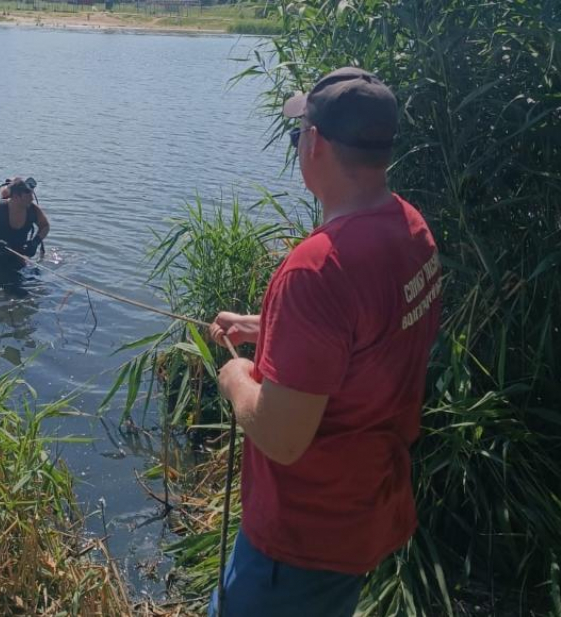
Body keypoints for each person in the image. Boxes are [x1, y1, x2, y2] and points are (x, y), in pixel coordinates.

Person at [207, 67, 442, 616]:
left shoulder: (317, 268)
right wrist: (264, 326)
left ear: (313, 143)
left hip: (298, 541)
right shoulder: (410, 229)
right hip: (362, 510)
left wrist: (236, 378)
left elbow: (283, 437)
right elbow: (365, 338)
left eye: (297, 134)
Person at [0, 177, 50, 267]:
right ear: (16, 196)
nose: (32, 199)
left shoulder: (34, 210)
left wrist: (35, 242)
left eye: (32, 194)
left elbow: (45, 226)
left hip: (17, 261)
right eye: (28, 195)